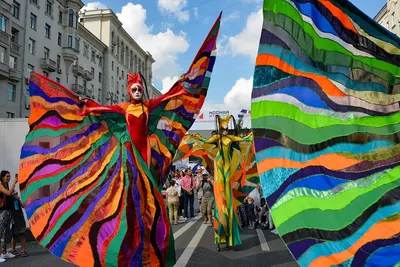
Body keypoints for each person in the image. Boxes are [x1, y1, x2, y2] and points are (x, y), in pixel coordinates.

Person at [18, 14, 221, 267]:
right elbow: (101, 111)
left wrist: (186, 86)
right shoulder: (124, 108)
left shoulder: (148, 106)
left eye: (139, 89)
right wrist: (85, 108)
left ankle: (148, 251)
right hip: (126, 158)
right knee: (125, 202)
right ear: (128, 91)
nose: (137, 91)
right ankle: (124, 247)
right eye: (133, 89)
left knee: (149, 204)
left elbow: (170, 97)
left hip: (144, 159)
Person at [0, 171, 17, 262]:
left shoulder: (6, 185)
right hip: (2, 212)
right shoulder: (1, 185)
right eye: (7, 176)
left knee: (5, 233)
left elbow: (10, 194)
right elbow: (8, 193)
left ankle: (4, 252)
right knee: (1, 233)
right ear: (2, 177)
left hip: (7, 212)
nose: (9, 178)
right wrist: (14, 183)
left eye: (10, 176)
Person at [11, 191, 27, 257]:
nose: (16, 195)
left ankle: (23, 251)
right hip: (14, 220)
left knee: (22, 235)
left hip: (20, 219)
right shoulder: (10, 202)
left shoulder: (18, 200)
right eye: (14, 194)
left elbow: (24, 206)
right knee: (14, 236)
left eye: (16, 194)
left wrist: (19, 199)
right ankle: (13, 250)